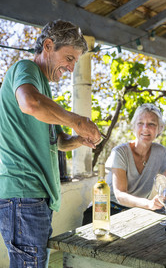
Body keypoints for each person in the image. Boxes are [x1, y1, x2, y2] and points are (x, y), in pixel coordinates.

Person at [0, 19, 101, 268]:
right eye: (68, 58)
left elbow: (57, 141)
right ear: (48, 45)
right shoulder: (26, 69)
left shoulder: (44, 90)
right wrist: (76, 120)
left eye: (75, 62)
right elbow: (29, 104)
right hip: (23, 195)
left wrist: (78, 139)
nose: (70, 67)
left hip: (34, 198)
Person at [82, 103, 166, 225]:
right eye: (140, 123)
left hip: (133, 213)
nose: (145, 128)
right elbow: (120, 195)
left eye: (152, 124)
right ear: (134, 127)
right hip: (103, 212)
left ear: (159, 129)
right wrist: (149, 204)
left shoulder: (160, 151)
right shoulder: (120, 152)